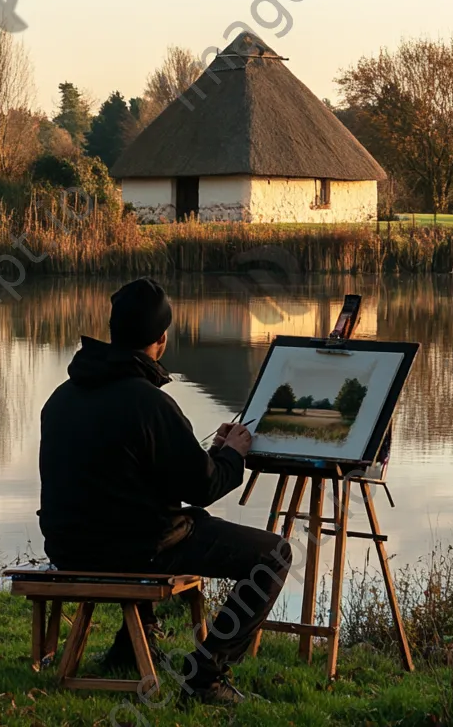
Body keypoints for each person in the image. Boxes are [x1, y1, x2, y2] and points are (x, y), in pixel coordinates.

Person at [38, 277, 291, 704]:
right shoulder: (149, 403)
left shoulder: (62, 396)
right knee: (274, 555)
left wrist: (212, 451)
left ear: (114, 332)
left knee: (144, 517)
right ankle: (206, 676)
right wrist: (233, 454)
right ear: (162, 338)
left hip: (67, 547)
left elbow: (136, 478)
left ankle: (129, 647)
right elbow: (204, 487)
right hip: (131, 548)